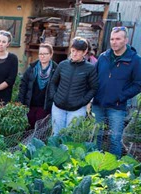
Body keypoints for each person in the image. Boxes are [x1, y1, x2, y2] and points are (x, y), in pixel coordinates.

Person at [92, 26, 141, 157]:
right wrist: (91, 98)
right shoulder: (103, 57)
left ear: (126, 40)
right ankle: (92, 165)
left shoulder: (135, 60)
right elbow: (94, 78)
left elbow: (138, 84)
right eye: (112, 39)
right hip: (98, 104)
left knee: (114, 139)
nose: (114, 42)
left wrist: (121, 96)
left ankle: (114, 172)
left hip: (117, 107)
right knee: (96, 136)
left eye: (118, 39)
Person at [49, 37, 98, 135]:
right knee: (56, 135)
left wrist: (83, 102)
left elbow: (94, 88)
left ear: (85, 52)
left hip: (77, 110)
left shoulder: (90, 68)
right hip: (58, 108)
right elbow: (53, 82)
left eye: (78, 51)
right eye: (73, 50)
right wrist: (54, 97)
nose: (74, 53)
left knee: (70, 137)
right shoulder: (63, 65)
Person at [18, 43, 58, 129]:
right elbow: (23, 86)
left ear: (51, 54)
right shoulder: (32, 69)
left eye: (45, 54)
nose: (42, 56)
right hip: (30, 106)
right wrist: (21, 103)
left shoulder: (56, 70)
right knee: (28, 129)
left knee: (40, 131)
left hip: (45, 107)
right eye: (40, 54)